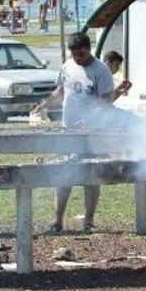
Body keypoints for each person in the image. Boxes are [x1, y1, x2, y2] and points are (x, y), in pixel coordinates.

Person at [34, 33, 115, 233]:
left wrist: (89, 121)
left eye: (82, 53)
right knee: (64, 175)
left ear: (89, 49)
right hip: (67, 132)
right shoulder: (67, 66)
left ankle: (88, 221)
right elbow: (60, 91)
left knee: (91, 176)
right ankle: (57, 221)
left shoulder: (101, 71)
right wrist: (45, 104)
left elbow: (106, 102)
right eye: (75, 54)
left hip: (92, 134)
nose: (79, 57)